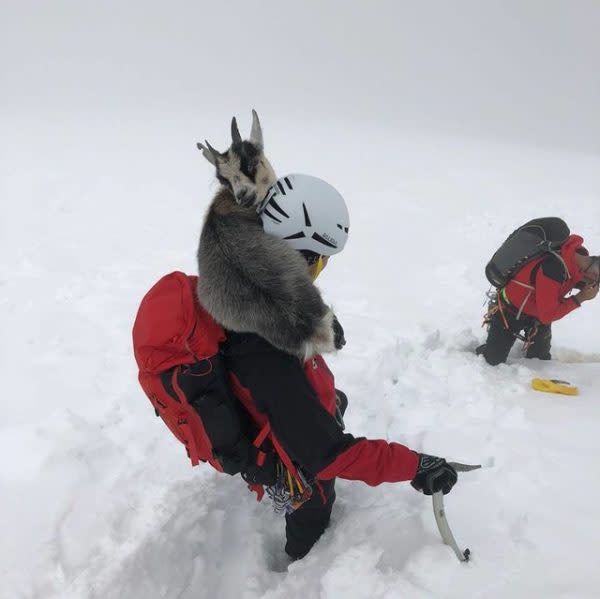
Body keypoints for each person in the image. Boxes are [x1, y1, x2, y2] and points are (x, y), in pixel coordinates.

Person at [197, 174, 459, 561]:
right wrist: (416, 466)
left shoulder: (238, 286)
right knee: (317, 497)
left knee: (333, 403)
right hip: (293, 453)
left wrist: (316, 324)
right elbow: (328, 455)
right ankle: (303, 563)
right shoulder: (264, 350)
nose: (318, 274)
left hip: (281, 410)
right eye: (319, 263)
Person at [477, 230, 599, 366]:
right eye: (595, 281)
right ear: (593, 273)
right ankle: (488, 341)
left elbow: (574, 279)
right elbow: (548, 315)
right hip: (511, 310)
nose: (591, 284)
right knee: (492, 361)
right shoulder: (554, 268)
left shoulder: (577, 258)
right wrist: (580, 298)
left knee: (540, 362)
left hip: (537, 315)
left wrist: (584, 287)